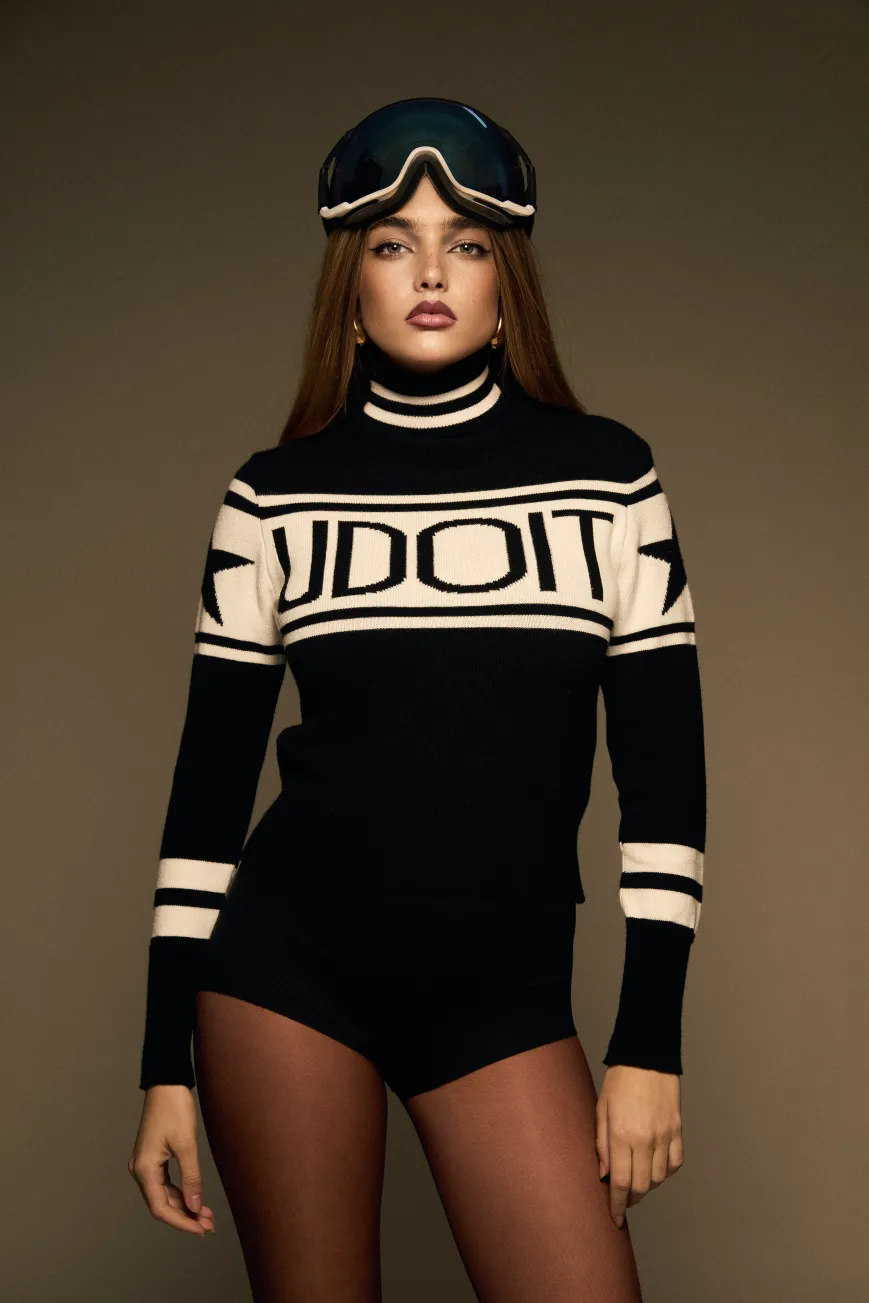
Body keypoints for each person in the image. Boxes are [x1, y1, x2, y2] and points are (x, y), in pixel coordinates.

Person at [128, 97, 706, 1302]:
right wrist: (161, 1062)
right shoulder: (273, 498)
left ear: (506, 285)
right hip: (286, 978)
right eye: (393, 245)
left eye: (467, 244)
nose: (431, 272)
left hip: (501, 995)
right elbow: (207, 796)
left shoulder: (609, 479)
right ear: (350, 288)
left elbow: (662, 780)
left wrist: (648, 1039)